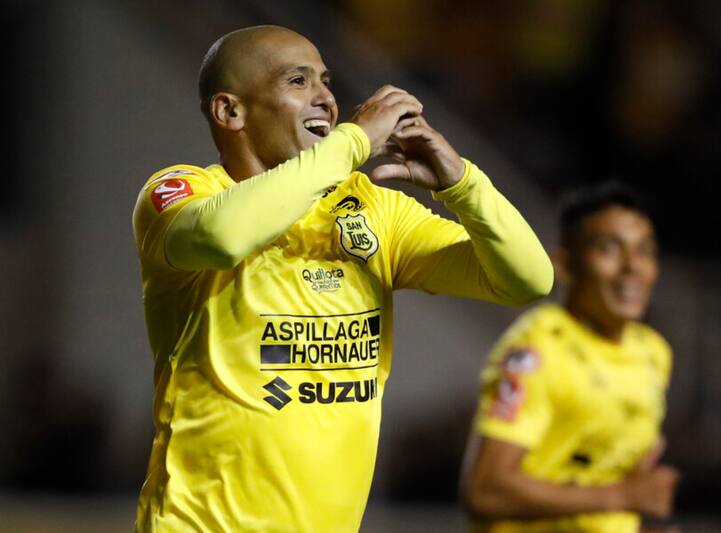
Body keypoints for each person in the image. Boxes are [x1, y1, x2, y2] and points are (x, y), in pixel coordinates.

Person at [131, 25, 553, 532]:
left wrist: (463, 184)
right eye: (298, 81)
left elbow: (527, 279)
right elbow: (222, 238)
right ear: (231, 112)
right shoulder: (181, 194)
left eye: (326, 81)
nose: (327, 99)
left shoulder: (372, 208)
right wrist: (355, 141)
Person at [462, 183, 679, 532]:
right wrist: (622, 497)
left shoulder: (653, 352)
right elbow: (485, 491)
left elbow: (606, 479)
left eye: (645, 251)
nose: (633, 267)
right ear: (564, 264)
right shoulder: (538, 351)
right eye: (610, 249)